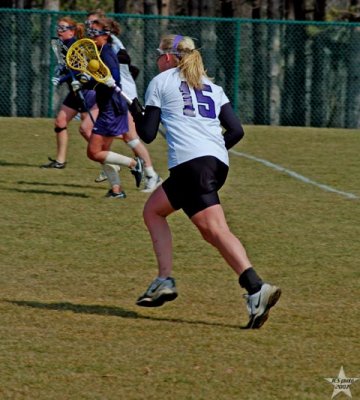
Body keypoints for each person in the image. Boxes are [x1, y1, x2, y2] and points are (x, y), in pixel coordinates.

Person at [128, 34, 281, 329]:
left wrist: (137, 113)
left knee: (191, 222)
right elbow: (235, 131)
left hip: (191, 165)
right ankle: (248, 289)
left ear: (171, 57)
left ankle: (249, 287)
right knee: (191, 223)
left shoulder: (161, 81)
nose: (157, 60)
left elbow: (146, 134)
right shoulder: (212, 86)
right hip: (216, 163)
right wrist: (210, 150)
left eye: (159, 55)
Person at [86, 10, 162, 193]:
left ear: (106, 31)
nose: (89, 30)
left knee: (127, 138)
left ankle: (147, 172)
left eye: (93, 26)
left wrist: (106, 78)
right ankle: (117, 188)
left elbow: (122, 62)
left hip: (121, 97)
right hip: (113, 98)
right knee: (109, 143)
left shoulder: (111, 46)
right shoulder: (98, 47)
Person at [82, 17, 144, 198]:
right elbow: (100, 80)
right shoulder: (99, 51)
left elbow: (113, 78)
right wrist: (84, 83)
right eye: (90, 33)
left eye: (94, 34)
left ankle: (133, 163)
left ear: (106, 35)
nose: (91, 37)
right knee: (103, 152)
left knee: (93, 152)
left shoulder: (107, 53)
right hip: (110, 107)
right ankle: (116, 190)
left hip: (111, 109)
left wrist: (96, 80)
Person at [41, 16, 98, 169]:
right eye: (58, 27)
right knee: (60, 122)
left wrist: (61, 79)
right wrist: (61, 69)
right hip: (74, 92)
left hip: (85, 91)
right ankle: (60, 162)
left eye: (63, 28)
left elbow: (80, 71)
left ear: (71, 32)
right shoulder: (63, 46)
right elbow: (67, 66)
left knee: (87, 131)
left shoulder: (75, 47)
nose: (59, 31)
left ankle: (105, 156)